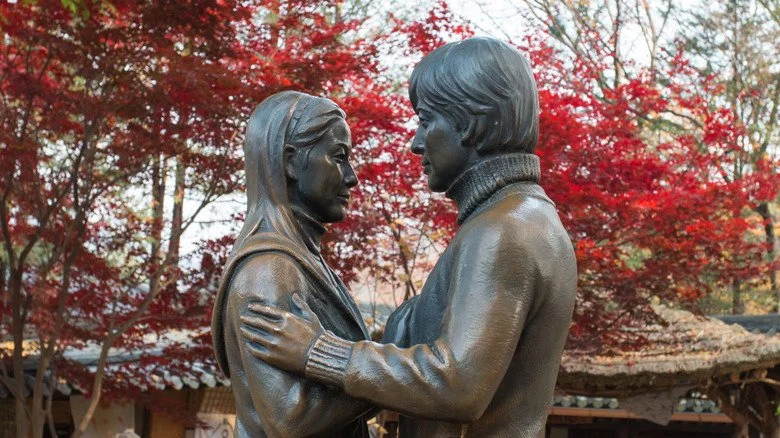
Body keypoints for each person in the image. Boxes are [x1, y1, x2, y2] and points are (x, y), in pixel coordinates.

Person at [241, 37, 578, 437]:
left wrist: (321, 353)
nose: (416, 143)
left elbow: (459, 384)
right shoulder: (520, 219)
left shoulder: (503, 230)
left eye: (425, 120)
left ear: (468, 122)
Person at [210, 91, 374, 437]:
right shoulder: (269, 271)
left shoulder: (304, 263)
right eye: (339, 157)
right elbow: (288, 418)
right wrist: (387, 378)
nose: (351, 177)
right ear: (290, 162)